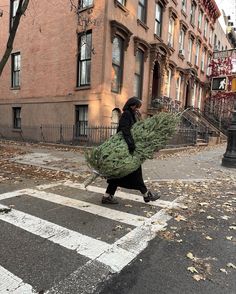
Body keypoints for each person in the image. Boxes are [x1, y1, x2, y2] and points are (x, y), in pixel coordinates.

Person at [102, 96, 160, 204]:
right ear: (132, 105)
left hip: (127, 148)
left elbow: (135, 129)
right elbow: (125, 130)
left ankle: (107, 196)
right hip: (125, 148)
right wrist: (131, 145)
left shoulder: (132, 114)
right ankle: (146, 194)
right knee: (135, 171)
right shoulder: (126, 114)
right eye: (137, 106)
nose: (138, 109)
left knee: (119, 173)